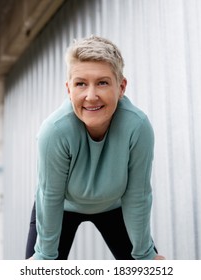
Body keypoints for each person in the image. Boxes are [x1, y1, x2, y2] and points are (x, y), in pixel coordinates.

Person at [26, 35, 165, 260]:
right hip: (62, 207)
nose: (91, 96)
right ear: (69, 89)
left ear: (121, 88)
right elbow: (50, 196)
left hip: (114, 205)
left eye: (102, 82)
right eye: (81, 83)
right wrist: (44, 257)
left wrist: (144, 254)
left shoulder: (137, 127)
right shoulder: (54, 131)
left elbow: (138, 194)